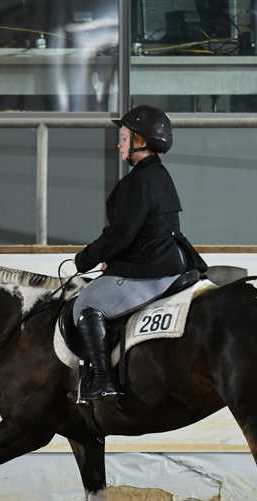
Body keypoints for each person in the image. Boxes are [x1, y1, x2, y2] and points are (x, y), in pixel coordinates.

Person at [72, 105, 206, 402]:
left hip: (152, 269)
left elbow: (121, 234)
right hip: (167, 259)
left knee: (86, 303)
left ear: (141, 141)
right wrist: (114, 260)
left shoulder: (138, 182)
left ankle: (103, 380)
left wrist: (86, 258)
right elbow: (147, 231)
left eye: (123, 138)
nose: (118, 145)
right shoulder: (159, 175)